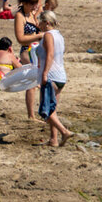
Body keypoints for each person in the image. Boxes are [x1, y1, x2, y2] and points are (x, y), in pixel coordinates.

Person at [37, 10, 73, 147]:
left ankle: (64, 132)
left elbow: (50, 54)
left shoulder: (48, 35)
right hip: (60, 76)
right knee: (53, 109)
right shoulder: (59, 35)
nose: (38, 24)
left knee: (45, 109)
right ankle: (53, 139)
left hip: (51, 76)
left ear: (46, 23)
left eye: (40, 21)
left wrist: (45, 73)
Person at [13, 0, 44, 120]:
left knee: (40, 82)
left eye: (35, 5)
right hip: (27, 51)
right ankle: (31, 115)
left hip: (37, 51)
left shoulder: (31, 14)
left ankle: (38, 112)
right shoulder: (20, 16)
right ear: (25, 3)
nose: (34, 8)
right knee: (32, 83)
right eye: (32, 5)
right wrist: (39, 36)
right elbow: (20, 39)